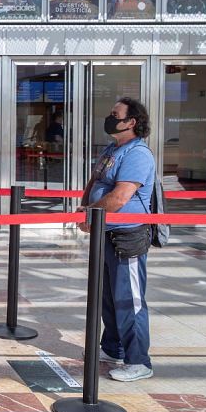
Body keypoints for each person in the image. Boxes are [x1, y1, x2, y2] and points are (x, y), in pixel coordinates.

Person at [77, 97, 155, 382]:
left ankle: (139, 361)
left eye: (115, 114)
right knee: (108, 297)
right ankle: (113, 348)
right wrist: (86, 209)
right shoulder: (113, 149)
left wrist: (91, 214)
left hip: (127, 235)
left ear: (131, 122)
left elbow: (121, 196)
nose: (109, 118)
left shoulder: (137, 154)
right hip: (105, 232)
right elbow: (95, 181)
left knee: (129, 299)